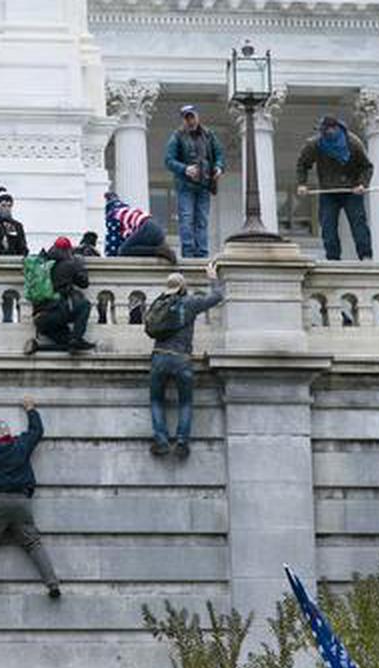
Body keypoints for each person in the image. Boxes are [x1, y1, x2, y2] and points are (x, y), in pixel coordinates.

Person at [0, 395, 60, 600]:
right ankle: (52, 583)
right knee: (33, 543)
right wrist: (30, 408)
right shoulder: (21, 445)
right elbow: (37, 431)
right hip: (22, 502)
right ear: (9, 433)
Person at [148, 260, 224, 459]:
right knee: (185, 402)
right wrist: (213, 278)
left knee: (156, 400)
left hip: (159, 356)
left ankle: (161, 441)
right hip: (181, 358)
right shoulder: (190, 303)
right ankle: (182, 442)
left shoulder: (158, 303)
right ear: (183, 287)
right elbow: (217, 296)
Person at [296, 115, 375, 261]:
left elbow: (367, 167)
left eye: (329, 131)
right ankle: (333, 258)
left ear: (337, 129)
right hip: (328, 191)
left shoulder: (353, 143)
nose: (327, 135)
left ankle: (365, 255)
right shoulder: (315, 144)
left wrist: (362, 184)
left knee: (358, 224)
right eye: (324, 132)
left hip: (351, 190)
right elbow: (302, 164)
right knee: (328, 226)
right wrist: (302, 183)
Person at [164, 105, 224, 258]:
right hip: (186, 185)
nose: (190, 120)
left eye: (192, 116)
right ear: (183, 119)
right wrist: (185, 169)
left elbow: (219, 154)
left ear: (197, 116)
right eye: (187, 117)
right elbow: (168, 160)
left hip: (204, 184)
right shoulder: (177, 136)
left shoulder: (208, 135)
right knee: (187, 218)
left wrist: (218, 167)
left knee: (202, 220)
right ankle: (188, 253)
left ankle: (202, 253)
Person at [25, 237, 93, 355]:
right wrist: (79, 264)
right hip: (57, 312)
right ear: (68, 250)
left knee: (68, 342)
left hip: (40, 319)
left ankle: (39, 347)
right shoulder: (70, 264)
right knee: (85, 305)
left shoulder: (42, 264)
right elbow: (84, 283)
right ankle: (76, 339)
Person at [103, 192, 176, 262]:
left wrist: (110, 257)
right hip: (156, 228)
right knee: (134, 249)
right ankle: (161, 251)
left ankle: (158, 251)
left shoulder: (113, 215)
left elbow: (113, 240)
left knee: (123, 250)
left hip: (146, 228)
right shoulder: (127, 210)